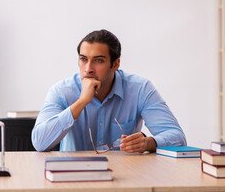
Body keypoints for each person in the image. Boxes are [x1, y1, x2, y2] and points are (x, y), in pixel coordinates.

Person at [31, 29, 186, 152]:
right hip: (74, 177)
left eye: (98, 61)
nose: (88, 69)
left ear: (115, 64)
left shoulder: (140, 89)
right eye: (83, 59)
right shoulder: (62, 91)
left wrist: (149, 143)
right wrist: (82, 101)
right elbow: (40, 142)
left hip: (125, 177)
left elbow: (178, 137)